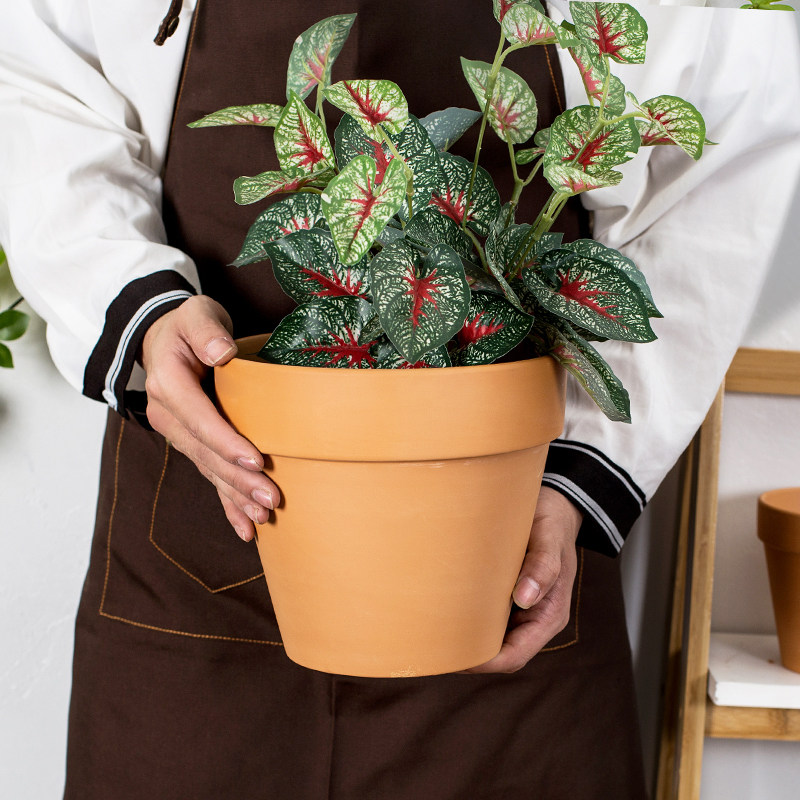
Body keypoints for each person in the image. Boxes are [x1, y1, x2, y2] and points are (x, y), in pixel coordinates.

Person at [1, 1, 799, 797]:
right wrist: (136, 310)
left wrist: (582, 481)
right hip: (200, 508)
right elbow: (39, 74)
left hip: (507, 532)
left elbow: (722, 138)